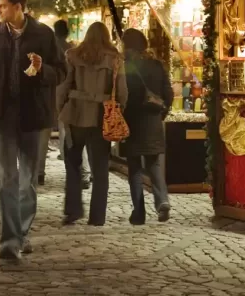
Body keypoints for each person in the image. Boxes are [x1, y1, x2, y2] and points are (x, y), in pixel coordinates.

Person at [0, 0, 66, 260]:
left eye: (3, 6)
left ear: (19, 7)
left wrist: (44, 70)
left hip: (33, 117)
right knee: (5, 178)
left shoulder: (43, 35)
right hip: (1, 118)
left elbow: (62, 73)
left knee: (28, 179)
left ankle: (22, 232)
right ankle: (9, 240)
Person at [57, 22, 127, 226]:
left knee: (72, 164)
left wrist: (61, 110)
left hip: (75, 115)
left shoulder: (72, 55)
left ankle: (73, 210)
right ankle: (97, 216)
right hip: (102, 118)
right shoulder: (115, 59)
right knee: (100, 169)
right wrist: (118, 111)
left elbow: (63, 87)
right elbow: (123, 92)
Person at [121, 29, 173, 225]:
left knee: (134, 168)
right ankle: (162, 201)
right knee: (154, 164)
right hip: (153, 120)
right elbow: (168, 93)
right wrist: (161, 113)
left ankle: (139, 212)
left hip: (132, 120)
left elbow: (123, 95)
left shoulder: (126, 66)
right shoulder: (156, 65)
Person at [53, 19, 91, 189]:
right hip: (87, 105)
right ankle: (85, 174)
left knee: (68, 138)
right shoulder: (74, 50)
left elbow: (63, 84)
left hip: (68, 102)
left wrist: (59, 105)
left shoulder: (60, 51)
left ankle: (76, 176)